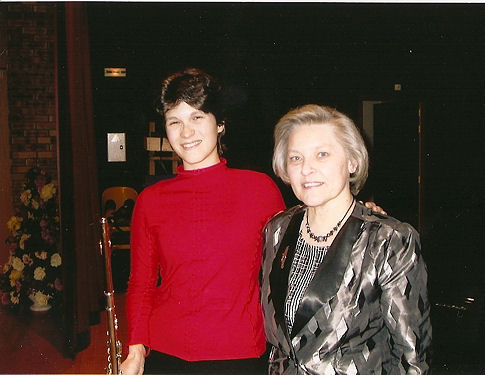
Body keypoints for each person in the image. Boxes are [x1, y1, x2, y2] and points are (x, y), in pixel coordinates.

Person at [120, 68, 286, 375]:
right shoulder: (150, 200)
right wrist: (135, 349)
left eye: (197, 117)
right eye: (175, 122)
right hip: (168, 352)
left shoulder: (259, 189)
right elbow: (141, 283)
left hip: (240, 352)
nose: (186, 133)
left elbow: (297, 255)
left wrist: (360, 220)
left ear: (220, 123)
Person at [260, 104, 431, 374]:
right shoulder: (277, 229)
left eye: (322, 154)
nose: (307, 169)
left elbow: (411, 357)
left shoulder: (388, 240)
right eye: (296, 158)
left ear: (352, 162)